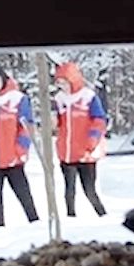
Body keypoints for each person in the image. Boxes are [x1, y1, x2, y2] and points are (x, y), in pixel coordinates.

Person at [0, 64, 39, 227]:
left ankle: (35, 223)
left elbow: (27, 127)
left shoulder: (17, 99)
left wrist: (21, 148)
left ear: (4, 80)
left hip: (13, 159)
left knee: (24, 195)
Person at [51, 61, 109, 217]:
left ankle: (103, 215)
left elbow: (99, 119)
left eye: (63, 82)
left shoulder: (88, 97)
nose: (61, 86)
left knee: (89, 190)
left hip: (86, 152)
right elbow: (59, 123)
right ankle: (71, 217)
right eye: (58, 83)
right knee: (69, 190)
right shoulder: (59, 99)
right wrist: (53, 123)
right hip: (67, 152)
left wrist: (93, 138)